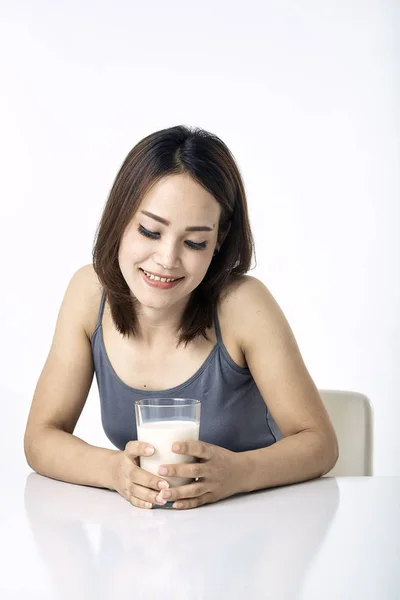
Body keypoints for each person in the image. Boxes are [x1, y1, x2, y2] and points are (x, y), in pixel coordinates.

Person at [24, 125, 338, 510]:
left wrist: (237, 473)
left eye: (194, 242)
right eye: (150, 231)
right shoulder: (89, 294)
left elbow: (320, 443)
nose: (167, 259)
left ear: (219, 240)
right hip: (147, 538)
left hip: (258, 523)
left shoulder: (243, 305)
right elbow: (41, 437)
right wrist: (112, 471)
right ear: (120, 218)